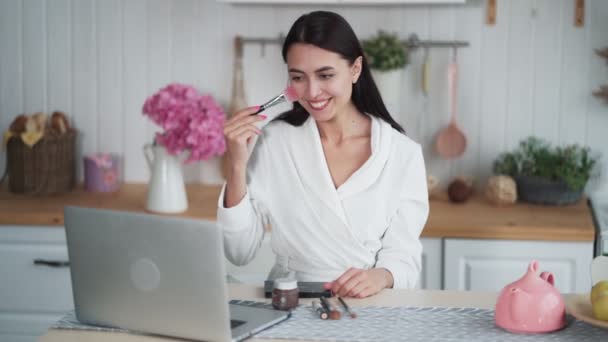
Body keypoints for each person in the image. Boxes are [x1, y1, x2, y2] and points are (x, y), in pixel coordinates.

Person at [218, 11, 429, 298]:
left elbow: (404, 254)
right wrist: (236, 165)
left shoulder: (403, 154)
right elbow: (239, 251)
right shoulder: (274, 141)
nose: (312, 92)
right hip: (290, 301)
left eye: (325, 75)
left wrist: (379, 277)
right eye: (298, 78)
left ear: (355, 69)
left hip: (368, 303)